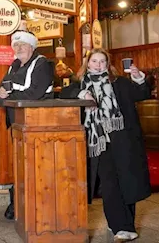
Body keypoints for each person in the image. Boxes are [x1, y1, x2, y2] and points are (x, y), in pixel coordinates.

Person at [59, 48, 151, 242]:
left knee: (126, 182)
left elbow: (142, 93)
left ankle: (125, 225)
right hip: (98, 143)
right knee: (109, 185)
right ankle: (120, 225)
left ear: (108, 65)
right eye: (94, 61)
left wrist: (138, 77)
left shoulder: (119, 83)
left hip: (123, 140)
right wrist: (82, 93)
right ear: (88, 64)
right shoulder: (79, 85)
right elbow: (64, 93)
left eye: (102, 61)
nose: (98, 65)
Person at [0, 30, 55, 220]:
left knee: (35, 165)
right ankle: (19, 204)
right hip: (19, 122)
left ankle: (34, 207)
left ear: (32, 47)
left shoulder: (43, 64)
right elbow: (2, 87)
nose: (18, 49)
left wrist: (3, 100)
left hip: (36, 121)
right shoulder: (15, 65)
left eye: (22, 45)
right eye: (15, 46)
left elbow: (35, 93)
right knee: (20, 164)